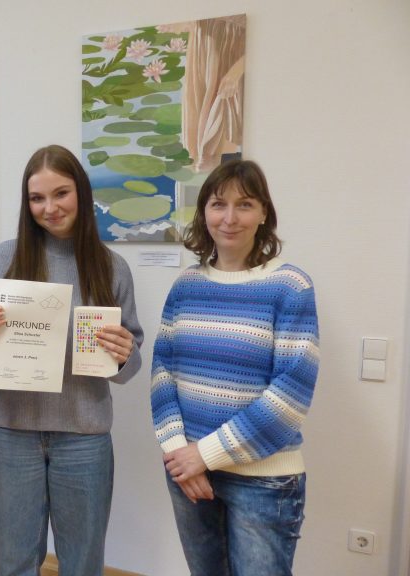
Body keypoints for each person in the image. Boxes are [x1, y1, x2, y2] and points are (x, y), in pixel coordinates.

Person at [0, 144, 144, 576]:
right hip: (13, 433)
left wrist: (123, 355)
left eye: (60, 194)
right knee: (13, 559)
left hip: (85, 436)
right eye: (37, 198)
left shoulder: (111, 266)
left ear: (81, 193)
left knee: (82, 561)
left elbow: (132, 358)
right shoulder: (5, 257)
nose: (49, 208)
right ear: (26, 204)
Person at [150, 159, 319, 576]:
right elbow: (161, 372)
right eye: (217, 204)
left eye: (244, 205)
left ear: (264, 213)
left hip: (262, 482)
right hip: (187, 472)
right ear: (203, 212)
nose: (229, 218)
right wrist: (177, 453)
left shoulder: (290, 286)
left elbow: (290, 396)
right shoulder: (186, 285)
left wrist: (202, 455)